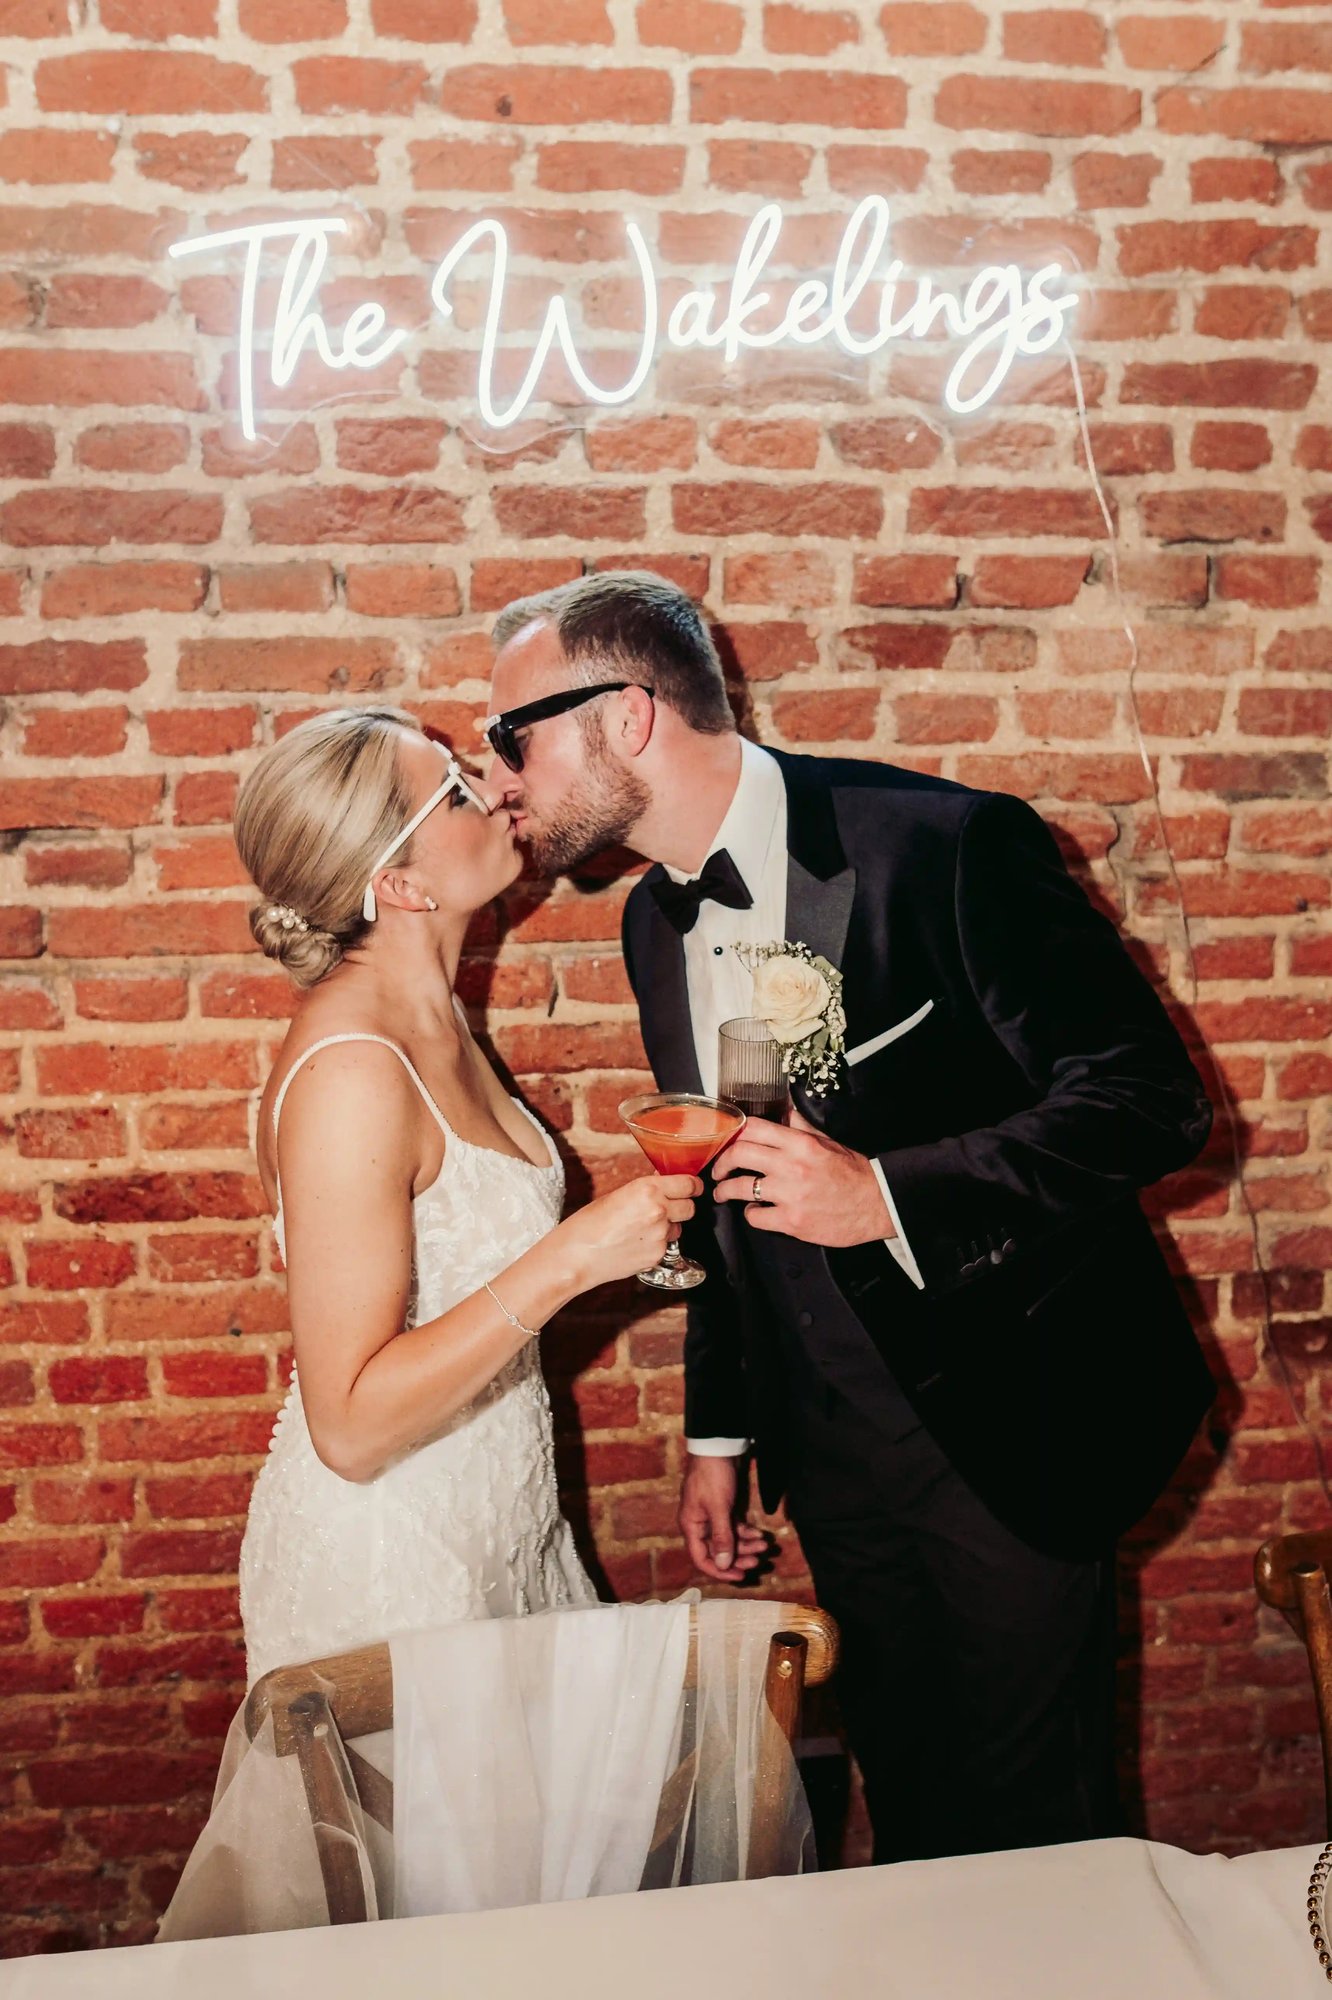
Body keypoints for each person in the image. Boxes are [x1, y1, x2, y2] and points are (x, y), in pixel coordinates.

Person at [484, 570, 1216, 1862]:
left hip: (1009, 1412)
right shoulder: (654, 922)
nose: (502, 778)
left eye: (513, 735)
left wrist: (884, 1195)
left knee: (1042, 1833)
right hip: (826, 1448)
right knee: (910, 1797)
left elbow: (1150, 1101)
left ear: (630, 716)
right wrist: (722, 1430)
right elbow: (719, 1185)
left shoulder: (942, 843)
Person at [230, 705, 699, 1686]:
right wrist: (572, 1259)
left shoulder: (433, 1010)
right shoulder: (353, 1073)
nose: (495, 788)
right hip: (396, 1567)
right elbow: (349, 1426)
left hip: (498, 1522)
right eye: (453, 790)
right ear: (399, 885)